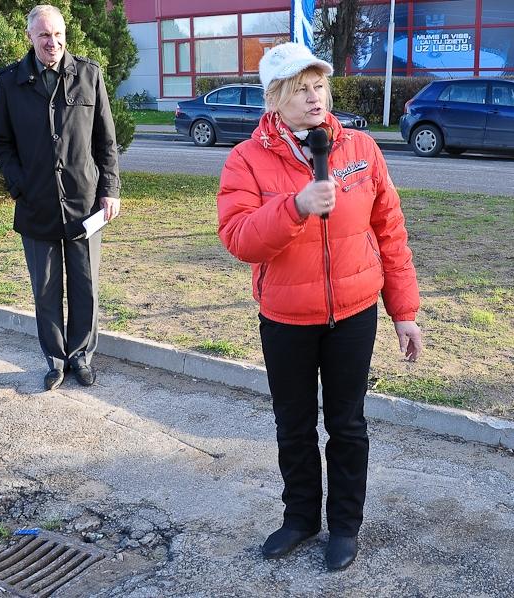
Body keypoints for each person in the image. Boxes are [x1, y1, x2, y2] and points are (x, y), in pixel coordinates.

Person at [216, 43, 423, 571]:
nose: (314, 98)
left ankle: (345, 527)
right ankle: (301, 518)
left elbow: (390, 231)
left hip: (353, 314)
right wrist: (296, 206)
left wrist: (404, 311)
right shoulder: (246, 159)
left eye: (319, 86)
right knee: (295, 426)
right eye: (301, 89)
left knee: (348, 425)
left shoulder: (359, 148)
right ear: (276, 98)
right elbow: (239, 237)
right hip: (286, 319)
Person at [0, 4, 120, 391]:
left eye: (59, 34)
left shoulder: (88, 75)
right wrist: (20, 185)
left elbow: (106, 141)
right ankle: (55, 359)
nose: (53, 42)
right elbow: (2, 142)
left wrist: (110, 190)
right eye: (44, 35)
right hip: (36, 205)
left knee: (85, 286)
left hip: (84, 203)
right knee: (46, 289)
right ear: (30, 37)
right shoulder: (11, 81)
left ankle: (81, 356)